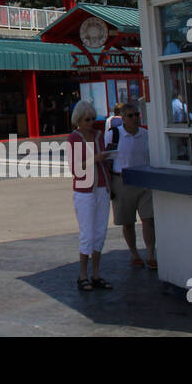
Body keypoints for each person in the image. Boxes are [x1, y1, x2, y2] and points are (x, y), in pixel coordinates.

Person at [68, 100, 112, 291]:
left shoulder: (99, 135)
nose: (91, 122)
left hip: (102, 186)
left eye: (93, 119)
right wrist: (96, 158)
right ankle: (83, 274)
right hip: (85, 189)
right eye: (87, 119)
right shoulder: (75, 138)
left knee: (100, 232)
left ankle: (95, 273)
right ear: (78, 120)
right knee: (87, 233)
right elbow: (75, 168)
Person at [110, 101, 156, 269]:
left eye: (137, 115)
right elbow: (107, 158)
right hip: (122, 180)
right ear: (123, 118)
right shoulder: (114, 135)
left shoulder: (146, 134)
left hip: (144, 180)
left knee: (148, 219)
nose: (135, 118)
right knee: (127, 221)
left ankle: (150, 253)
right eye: (131, 116)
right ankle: (134, 253)